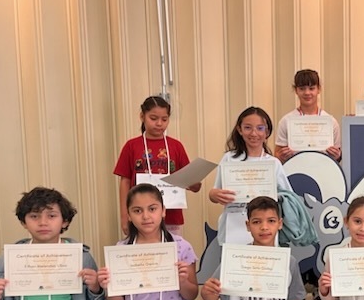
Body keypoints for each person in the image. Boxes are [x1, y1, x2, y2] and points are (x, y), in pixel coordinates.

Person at [114, 96, 201, 236]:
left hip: (171, 216)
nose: (159, 123)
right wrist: (124, 215)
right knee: (142, 248)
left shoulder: (176, 146)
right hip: (140, 217)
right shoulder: (131, 146)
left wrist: (194, 184)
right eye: (153, 118)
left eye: (164, 119)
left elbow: (189, 181)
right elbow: (125, 182)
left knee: (172, 248)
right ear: (142, 116)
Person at [209, 106, 293, 246]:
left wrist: (274, 196)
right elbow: (214, 193)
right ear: (239, 129)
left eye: (260, 128)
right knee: (235, 259)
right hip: (233, 226)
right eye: (248, 127)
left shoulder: (273, 163)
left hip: (265, 229)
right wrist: (213, 194)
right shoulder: (229, 159)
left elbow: (288, 197)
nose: (254, 133)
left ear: (267, 132)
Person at [274, 69, 341, 163]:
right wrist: (281, 156)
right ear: (296, 90)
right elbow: (277, 155)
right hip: (295, 169)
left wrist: (337, 156)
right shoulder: (286, 121)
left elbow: (338, 156)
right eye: (302, 89)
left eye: (311, 88)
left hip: (323, 169)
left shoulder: (331, 122)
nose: (307, 93)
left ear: (319, 89)